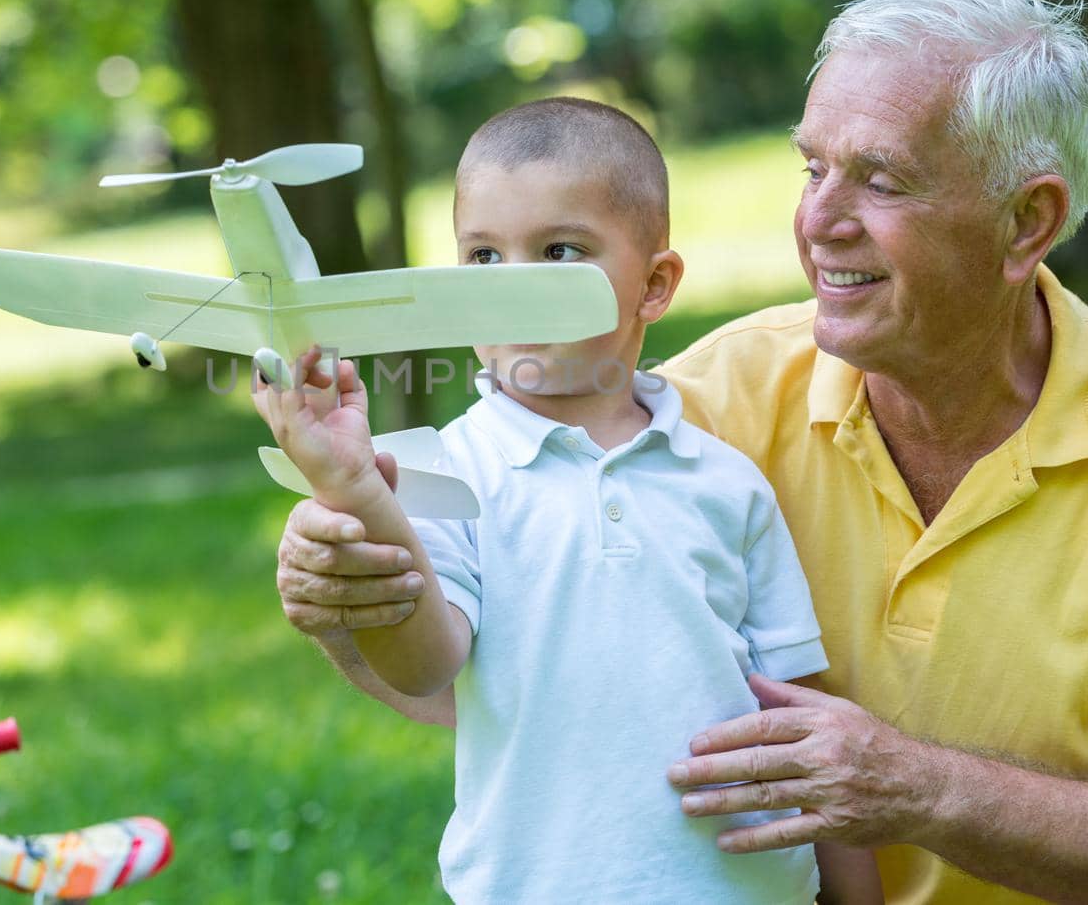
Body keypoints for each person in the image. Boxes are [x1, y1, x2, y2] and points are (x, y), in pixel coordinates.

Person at [270, 0, 1088, 904]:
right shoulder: (694, 408)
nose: (816, 223)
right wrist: (349, 598)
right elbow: (510, 673)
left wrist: (929, 792)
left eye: (881, 180)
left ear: (1029, 221)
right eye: (812, 168)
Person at [255, 98, 882, 903]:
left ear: (654, 286)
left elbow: (807, 726)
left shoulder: (728, 484)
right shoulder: (448, 474)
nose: (512, 289)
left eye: (558, 251)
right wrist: (355, 488)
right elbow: (422, 664)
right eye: (482, 257)